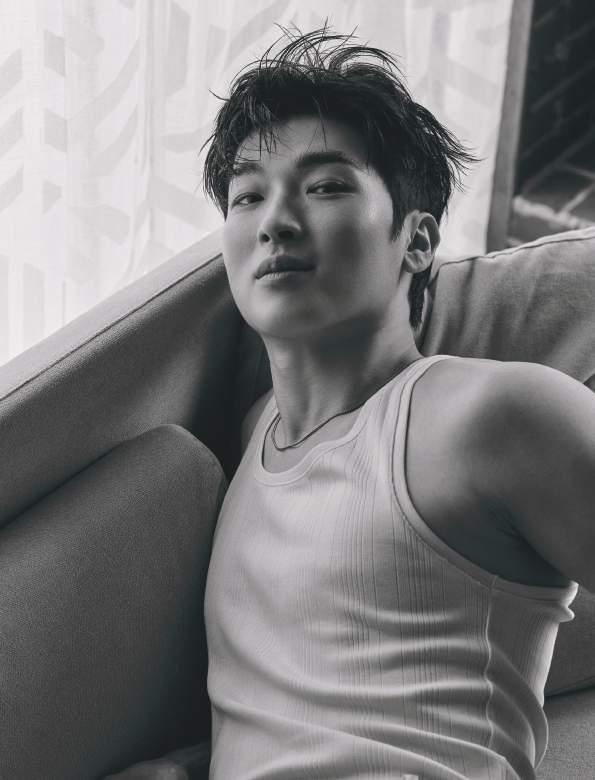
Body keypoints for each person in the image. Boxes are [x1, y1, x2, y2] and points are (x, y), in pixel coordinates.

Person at [108, 22, 595, 780]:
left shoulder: (489, 414)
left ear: (417, 241)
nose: (275, 221)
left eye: (327, 186)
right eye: (247, 195)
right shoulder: (253, 438)